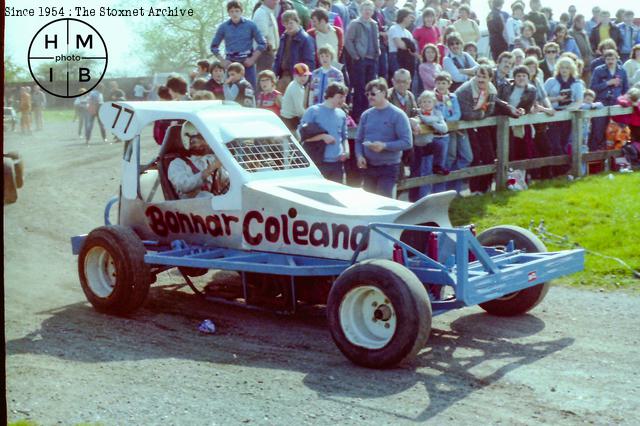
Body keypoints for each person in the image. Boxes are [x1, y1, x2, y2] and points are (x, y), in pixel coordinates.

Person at [355, 78, 412, 197]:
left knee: (384, 204)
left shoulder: (398, 115)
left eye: (373, 93)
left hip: (389, 167)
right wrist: (359, 156)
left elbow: (407, 142)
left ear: (384, 93)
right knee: (368, 203)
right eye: (367, 94)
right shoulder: (366, 115)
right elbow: (359, 140)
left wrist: (384, 146)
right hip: (368, 167)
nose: (369, 97)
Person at [455, 64, 498, 194]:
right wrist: (480, 114)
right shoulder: (465, 91)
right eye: (478, 76)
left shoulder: (492, 91)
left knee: (489, 155)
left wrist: (480, 114)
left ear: (490, 78)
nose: (480, 79)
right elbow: (465, 114)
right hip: (463, 127)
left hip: (481, 125)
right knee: (475, 156)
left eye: (483, 77)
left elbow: (490, 110)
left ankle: (485, 188)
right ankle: (474, 190)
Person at [299, 82, 350, 182]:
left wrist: (346, 150)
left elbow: (344, 137)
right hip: (318, 163)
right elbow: (301, 135)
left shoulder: (341, 114)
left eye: (344, 97)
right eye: (340, 97)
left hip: (337, 164)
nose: (342, 100)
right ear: (330, 96)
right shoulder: (313, 111)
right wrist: (322, 136)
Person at [210, 0, 266, 89]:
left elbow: (262, 43)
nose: (234, 14)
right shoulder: (223, 27)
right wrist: (223, 61)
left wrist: (252, 59)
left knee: (250, 89)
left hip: (247, 63)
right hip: (231, 63)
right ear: (228, 13)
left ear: (241, 11)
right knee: (231, 90)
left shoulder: (250, 25)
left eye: (237, 11)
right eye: (231, 11)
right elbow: (214, 46)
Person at [168, 122, 228, 199]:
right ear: (189, 141)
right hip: (192, 207)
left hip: (217, 204)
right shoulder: (177, 163)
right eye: (200, 139)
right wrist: (209, 170)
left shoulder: (211, 158)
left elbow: (225, 181)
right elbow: (183, 186)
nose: (206, 143)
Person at [409, 90, 449, 199]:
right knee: (415, 172)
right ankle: (413, 199)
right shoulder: (417, 113)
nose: (426, 104)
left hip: (428, 144)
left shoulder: (437, 113)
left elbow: (444, 128)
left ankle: (424, 198)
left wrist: (432, 122)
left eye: (429, 101)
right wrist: (418, 122)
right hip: (417, 146)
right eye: (424, 102)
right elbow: (412, 121)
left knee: (427, 171)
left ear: (434, 103)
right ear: (420, 103)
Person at [345, 0, 381, 120]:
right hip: (360, 59)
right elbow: (348, 41)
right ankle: (356, 115)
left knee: (371, 88)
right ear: (361, 10)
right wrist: (355, 56)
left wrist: (378, 51)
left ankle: (368, 113)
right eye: (365, 9)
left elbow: (376, 39)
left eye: (370, 9)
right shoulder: (355, 23)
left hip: (372, 59)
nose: (368, 12)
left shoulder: (374, 24)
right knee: (359, 88)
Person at [544, 57, 584, 161]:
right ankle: (556, 168)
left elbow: (579, 101)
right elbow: (543, 98)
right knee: (554, 142)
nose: (564, 70)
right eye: (562, 67)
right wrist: (556, 98)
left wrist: (569, 110)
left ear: (571, 69)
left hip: (569, 116)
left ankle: (565, 169)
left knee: (566, 142)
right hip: (553, 115)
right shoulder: (551, 81)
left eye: (567, 67)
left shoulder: (577, 83)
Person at [589, 49, 629, 151]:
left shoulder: (622, 71)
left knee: (616, 132)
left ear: (617, 59)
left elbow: (626, 89)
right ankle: (597, 156)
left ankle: (614, 160)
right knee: (598, 130)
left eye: (612, 59)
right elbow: (592, 87)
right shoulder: (598, 70)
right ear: (604, 60)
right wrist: (608, 83)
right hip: (601, 103)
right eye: (608, 59)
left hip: (616, 104)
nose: (610, 61)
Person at [273, 10, 316, 93]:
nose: (288, 26)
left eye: (291, 23)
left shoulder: (305, 39)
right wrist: (274, 74)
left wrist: (304, 81)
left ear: (297, 22)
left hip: (296, 78)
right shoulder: (284, 37)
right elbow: (278, 58)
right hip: (283, 76)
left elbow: (310, 63)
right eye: (286, 23)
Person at [281, 62, 312, 131]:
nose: (303, 78)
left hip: (288, 118)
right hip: (289, 119)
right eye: (300, 75)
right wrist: (310, 116)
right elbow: (299, 111)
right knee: (297, 139)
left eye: (305, 75)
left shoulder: (297, 85)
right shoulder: (296, 88)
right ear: (294, 76)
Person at [387, 7, 415, 80]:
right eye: (410, 17)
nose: (411, 20)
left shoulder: (408, 32)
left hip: (406, 58)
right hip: (395, 56)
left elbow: (413, 49)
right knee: (398, 79)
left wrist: (407, 43)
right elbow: (400, 45)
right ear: (404, 17)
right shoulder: (394, 28)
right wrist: (409, 45)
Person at [253, 0, 280, 74]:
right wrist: (269, 51)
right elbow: (261, 37)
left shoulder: (269, 12)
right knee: (265, 79)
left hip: (270, 54)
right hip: (265, 54)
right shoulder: (261, 13)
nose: (276, 2)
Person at [570, 14, 593, 81]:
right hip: (578, 62)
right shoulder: (571, 33)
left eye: (584, 22)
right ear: (576, 22)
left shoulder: (584, 32)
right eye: (582, 22)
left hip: (588, 62)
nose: (584, 24)